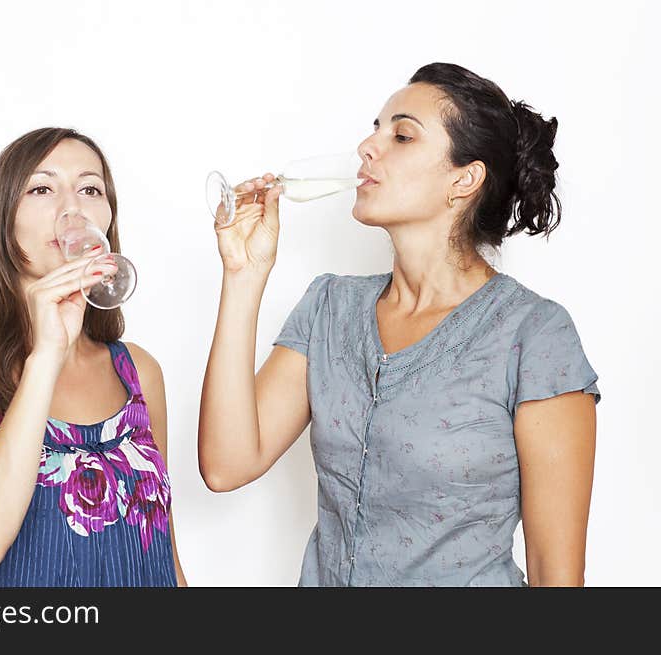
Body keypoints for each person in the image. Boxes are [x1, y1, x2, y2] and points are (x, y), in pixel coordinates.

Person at [199, 63, 599, 587]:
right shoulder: (329, 308)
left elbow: (557, 576)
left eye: (402, 134)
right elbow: (227, 465)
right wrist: (243, 276)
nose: (369, 146)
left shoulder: (534, 335)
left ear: (464, 178)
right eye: (376, 127)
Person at [0, 127, 186, 586]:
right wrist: (47, 355)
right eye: (42, 188)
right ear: (3, 219)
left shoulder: (139, 371)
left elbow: (164, 556)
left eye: (90, 189)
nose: (72, 209)